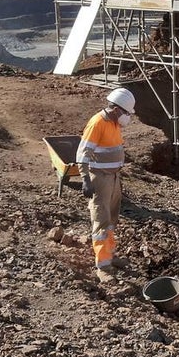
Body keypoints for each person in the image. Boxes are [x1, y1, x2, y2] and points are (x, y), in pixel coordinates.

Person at [76, 88, 136, 283]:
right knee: (101, 220)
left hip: (113, 177)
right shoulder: (98, 123)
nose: (128, 117)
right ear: (117, 110)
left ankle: (109, 254)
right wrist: (85, 179)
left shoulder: (114, 123)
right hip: (100, 177)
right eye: (127, 113)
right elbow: (83, 153)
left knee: (112, 217)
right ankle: (103, 266)